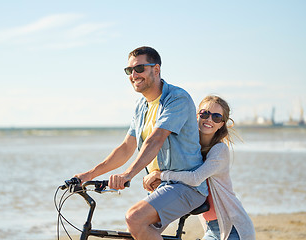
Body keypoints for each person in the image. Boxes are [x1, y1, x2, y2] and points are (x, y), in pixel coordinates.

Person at [73, 46, 208, 240]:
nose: (133, 74)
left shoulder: (176, 98)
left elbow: (156, 139)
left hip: (187, 186)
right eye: (129, 70)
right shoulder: (141, 106)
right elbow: (127, 147)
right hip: (161, 185)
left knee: (135, 218)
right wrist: (88, 175)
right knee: (138, 230)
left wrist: (128, 174)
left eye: (139, 68)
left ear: (156, 69)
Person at [143, 95, 256, 240]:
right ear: (197, 116)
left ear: (221, 124)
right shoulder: (190, 148)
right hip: (211, 228)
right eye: (205, 114)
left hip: (233, 228)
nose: (209, 119)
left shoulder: (219, 149)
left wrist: (161, 175)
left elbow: (195, 178)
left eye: (216, 117)